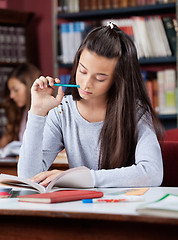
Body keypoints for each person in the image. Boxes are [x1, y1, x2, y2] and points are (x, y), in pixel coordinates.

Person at [18, 22, 164, 188]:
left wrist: (83, 177)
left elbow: (153, 173)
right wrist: (37, 112)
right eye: (82, 71)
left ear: (118, 79)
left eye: (100, 78)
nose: (86, 84)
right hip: (81, 208)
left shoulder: (135, 112)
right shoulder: (62, 111)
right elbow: (28, 177)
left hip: (124, 208)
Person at [0, 63, 41, 148]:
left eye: (15, 90)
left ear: (30, 87)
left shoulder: (49, 114)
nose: (11, 96)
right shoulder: (21, 113)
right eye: (10, 91)